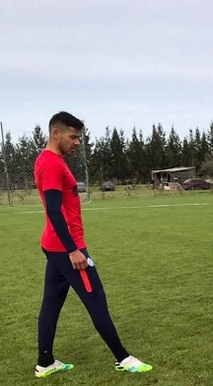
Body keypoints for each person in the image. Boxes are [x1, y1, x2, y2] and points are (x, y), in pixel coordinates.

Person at [33, 111, 152, 378]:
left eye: (79, 138)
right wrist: (73, 249)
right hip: (67, 248)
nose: (77, 143)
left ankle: (45, 362)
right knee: (96, 299)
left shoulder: (50, 160)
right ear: (56, 134)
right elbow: (54, 210)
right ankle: (123, 358)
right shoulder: (51, 163)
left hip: (54, 245)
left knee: (51, 303)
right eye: (73, 137)